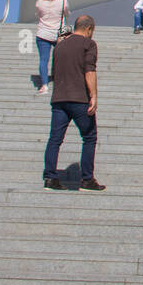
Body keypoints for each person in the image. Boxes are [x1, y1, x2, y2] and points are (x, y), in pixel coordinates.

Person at [43, 14, 104, 190]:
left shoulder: (60, 46)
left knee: (55, 139)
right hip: (79, 99)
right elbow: (89, 71)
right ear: (89, 29)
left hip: (59, 98)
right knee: (89, 137)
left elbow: (54, 72)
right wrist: (93, 95)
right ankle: (86, 179)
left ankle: (50, 177)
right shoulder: (89, 44)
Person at [34, 0, 70, 95]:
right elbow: (67, 14)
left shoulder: (39, 2)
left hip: (43, 33)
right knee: (60, 58)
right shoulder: (63, 1)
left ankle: (44, 85)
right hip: (58, 34)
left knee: (43, 60)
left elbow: (38, 16)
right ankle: (59, 81)